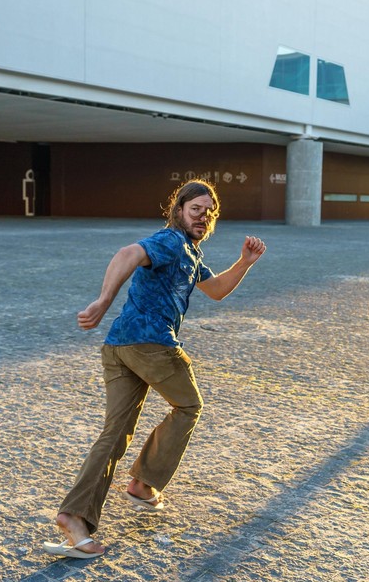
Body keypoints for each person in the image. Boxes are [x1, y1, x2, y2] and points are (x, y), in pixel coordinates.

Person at [44, 179, 266, 559]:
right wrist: (103, 300)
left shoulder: (191, 253)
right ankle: (144, 485)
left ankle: (74, 518)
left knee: (115, 433)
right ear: (178, 209)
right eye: (196, 209)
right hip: (150, 344)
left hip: (119, 346)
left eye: (209, 211)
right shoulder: (169, 241)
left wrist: (244, 262)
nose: (203, 216)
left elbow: (215, 290)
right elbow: (128, 253)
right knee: (189, 406)